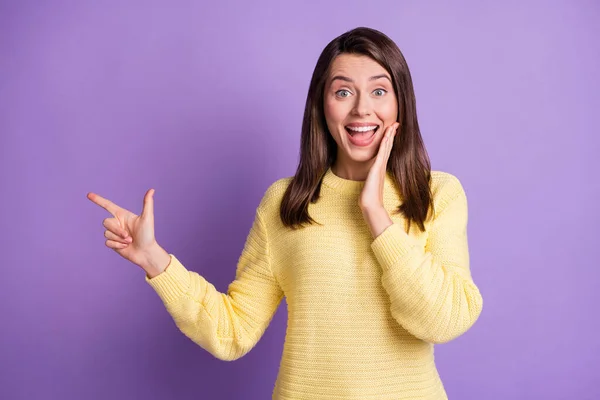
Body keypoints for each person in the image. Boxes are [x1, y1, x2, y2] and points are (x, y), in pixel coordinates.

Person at [88, 27, 483, 400]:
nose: (362, 108)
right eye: (343, 92)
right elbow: (232, 330)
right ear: (322, 105)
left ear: (400, 103)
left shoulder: (436, 194)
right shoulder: (285, 202)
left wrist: (376, 214)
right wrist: (153, 258)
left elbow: (444, 320)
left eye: (379, 90)